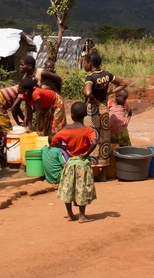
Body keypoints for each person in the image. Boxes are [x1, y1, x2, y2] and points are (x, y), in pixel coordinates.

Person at [50, 101, 99, 223]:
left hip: (70, 163)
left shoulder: (66, 130)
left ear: (71, 116)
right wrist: (87, 153)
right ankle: (82, 216)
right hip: (83, 164)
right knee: (82, 189)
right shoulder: (88, 130)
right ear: (85, 116)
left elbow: (53, 141)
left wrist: (66, 149)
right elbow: (94, 142)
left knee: (68, 188)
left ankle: (71, 214)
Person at [83, 52, 127, 182]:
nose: (84, 65)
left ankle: (91, 172)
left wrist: (92, 99)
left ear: (90, 64)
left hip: (92, 112)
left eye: (84, 62)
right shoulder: (106, 74)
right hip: (104, 110)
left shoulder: (90, 77)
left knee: (91, 138)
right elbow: (123, 84)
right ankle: (103, 174)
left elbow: (87, 92)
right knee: (104, 139)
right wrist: (109, 92)